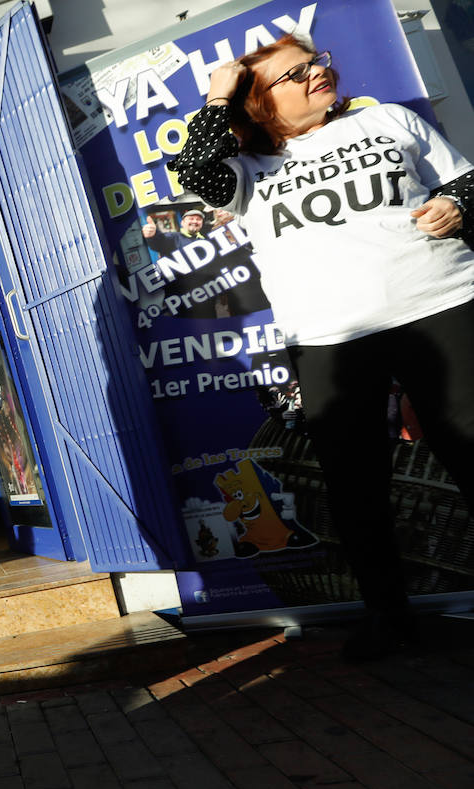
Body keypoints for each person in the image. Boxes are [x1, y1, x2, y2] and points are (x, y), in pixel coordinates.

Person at [169, 34, 474, 661]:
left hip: (442, 303)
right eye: (295, 74)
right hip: (330, 337)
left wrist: (455, 203)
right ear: (258, 105)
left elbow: (468, 179)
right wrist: (218, 95)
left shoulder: (390, 119)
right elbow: (195, 170)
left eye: (316, 64)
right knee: (354, 483)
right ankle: (390, 618)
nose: (317, 75)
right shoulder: (244, 174)